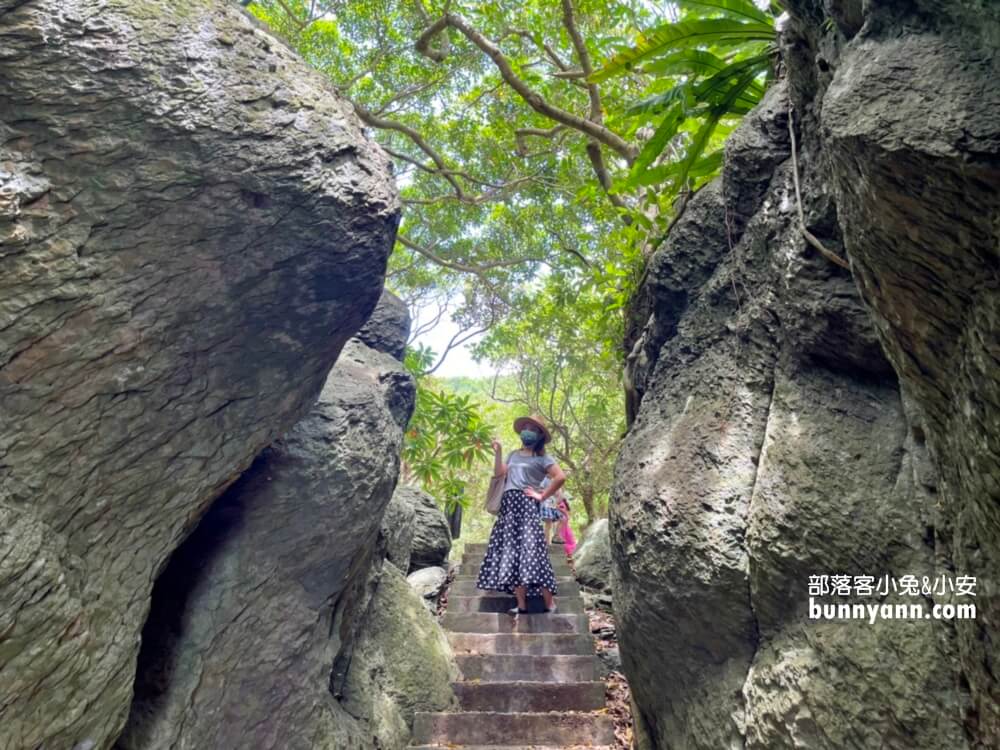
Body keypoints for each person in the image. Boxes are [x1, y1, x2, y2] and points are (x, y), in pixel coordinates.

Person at [476, 414, 566, 614]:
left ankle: (550, 603)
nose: (527, 431)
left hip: (526, 506)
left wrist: (541, 496)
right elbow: (500, 473)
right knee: (513, 552)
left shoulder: (543, 458)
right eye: (525, 427)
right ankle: (521, 605)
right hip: (508, 507)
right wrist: (498, 452)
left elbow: (560, 477)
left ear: (539, 435)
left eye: (532, 429)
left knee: (533, 551)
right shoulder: (513, 455)